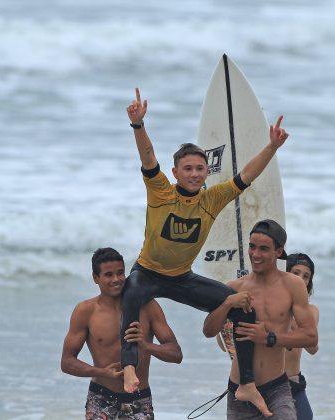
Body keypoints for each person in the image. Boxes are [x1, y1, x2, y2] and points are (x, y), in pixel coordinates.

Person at [122, 87, 290, 416]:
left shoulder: (212, 199)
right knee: (130, 293)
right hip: (148, 273)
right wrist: (138, 126)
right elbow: (147, 158)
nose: (195, 174)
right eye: (188, 169)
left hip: (182, 279)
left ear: (206, 172)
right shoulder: (160, 191)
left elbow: (247, 176)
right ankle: (129, 366)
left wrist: (272, 147)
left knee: (243, 308)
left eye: (200, 169)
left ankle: (246, 383)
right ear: (176, 173)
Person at [202, 220, 318, 419]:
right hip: (240, 390)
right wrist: (227, 304)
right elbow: (208, 330)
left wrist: (269, 338)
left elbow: (310, 338)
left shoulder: (293, 286)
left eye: (263, 249)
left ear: (279, 251)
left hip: (276, 387)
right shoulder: (234, 287)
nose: (255, 254)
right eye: (252, 247)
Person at [61, 247, 183, 420]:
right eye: (108, 275)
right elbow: (67, 362)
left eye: (120, 273)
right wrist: (103, 372)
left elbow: (176, 354)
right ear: (96, 278)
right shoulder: (86, 311)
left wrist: (146, 345)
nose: (116, 279)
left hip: (139, 398)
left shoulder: (148, 307)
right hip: (101, 397)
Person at [285, 253, 319, 420]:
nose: (300, 279)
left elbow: (313, 349)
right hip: (267, 382)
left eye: (306, 276)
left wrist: (297, 321)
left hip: (294, 382)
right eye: (296, 273)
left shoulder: (311, 311)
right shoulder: (269, 305)